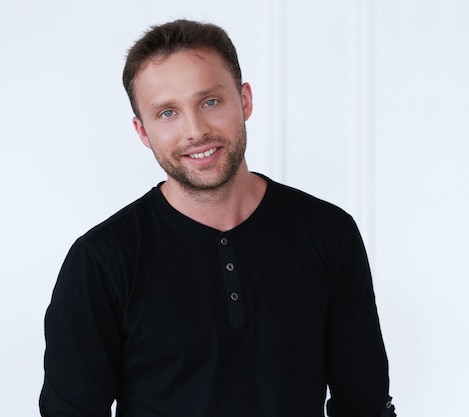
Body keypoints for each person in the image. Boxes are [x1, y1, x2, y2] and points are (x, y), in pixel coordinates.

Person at [40, 19, 396, 417]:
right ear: (143, 132)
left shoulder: (328, 233)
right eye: (168, 113)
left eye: (210, 102)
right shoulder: (100, 261)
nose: (196, 131)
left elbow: (364, 403)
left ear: (244, 100)